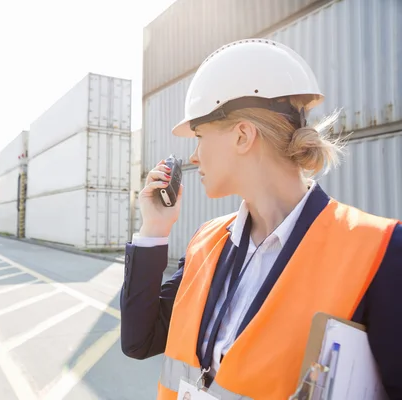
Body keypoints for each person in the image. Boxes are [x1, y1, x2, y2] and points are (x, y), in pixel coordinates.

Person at [120, 39, 402, 400]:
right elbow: (139, 341)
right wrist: (154, 230)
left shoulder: (379, 251)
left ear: (242, 135)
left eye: (200, 136)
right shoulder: (207, 241)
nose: (193, 156)